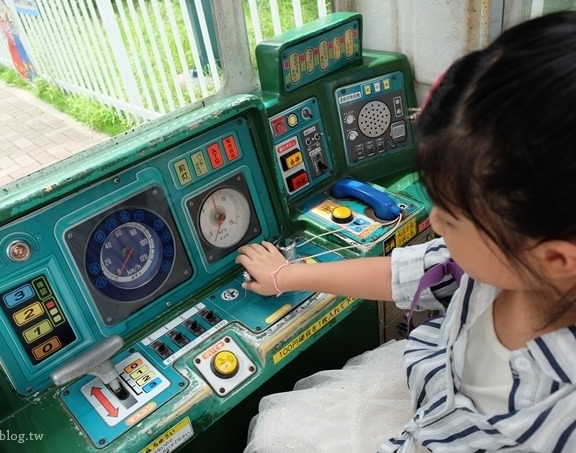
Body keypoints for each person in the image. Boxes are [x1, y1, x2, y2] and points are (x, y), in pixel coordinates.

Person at [236, 10, 576, 453]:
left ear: (554, 258)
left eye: (450, 218)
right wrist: (288, 275)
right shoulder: (503, 266)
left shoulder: (551, 411)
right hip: (432, 393)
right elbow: (405, 272)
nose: (433, 223)